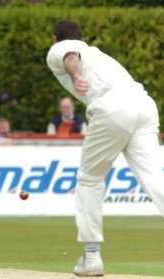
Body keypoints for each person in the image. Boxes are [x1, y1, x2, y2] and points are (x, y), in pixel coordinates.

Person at [47, 20, 164, 276]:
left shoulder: (61, 48)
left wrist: (76, 77)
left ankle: (91, 257)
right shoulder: (100, 55)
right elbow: (76, 52)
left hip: (112, 108)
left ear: (55, 38)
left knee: (89, 179)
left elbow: (70, 55)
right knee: (156, 180)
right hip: (144, 106)